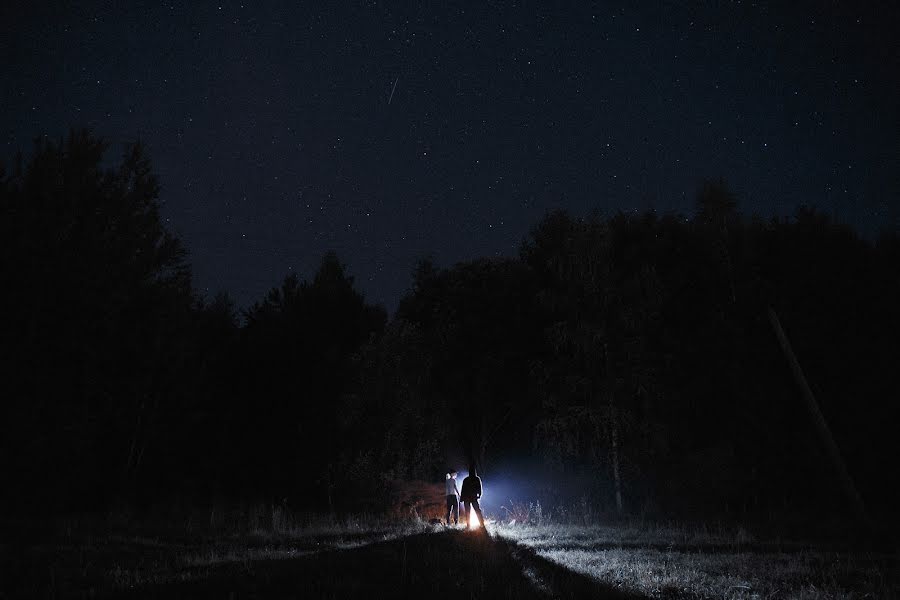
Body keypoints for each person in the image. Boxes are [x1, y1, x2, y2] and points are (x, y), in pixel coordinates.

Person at [459, 464, 485, 529]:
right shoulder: (476, 479)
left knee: (469, 511)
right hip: (473, 497)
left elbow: (463, 489)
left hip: (468, 498)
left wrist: (462, 498)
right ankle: (481, 524)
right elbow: (479, 488)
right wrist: (479, 495)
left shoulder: (466, 479)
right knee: (477, 511)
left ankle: (469, 525)